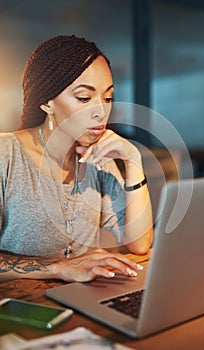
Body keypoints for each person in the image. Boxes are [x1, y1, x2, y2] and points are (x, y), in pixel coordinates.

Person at [0, 35, 153, 283]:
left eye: (107, 98)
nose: (100, 111)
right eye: (84, 98)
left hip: (81, 300)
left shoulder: (99, 158)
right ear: (47, 103)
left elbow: (140, 243)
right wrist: (61, 267)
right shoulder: (5, 155)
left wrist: (134, 161)